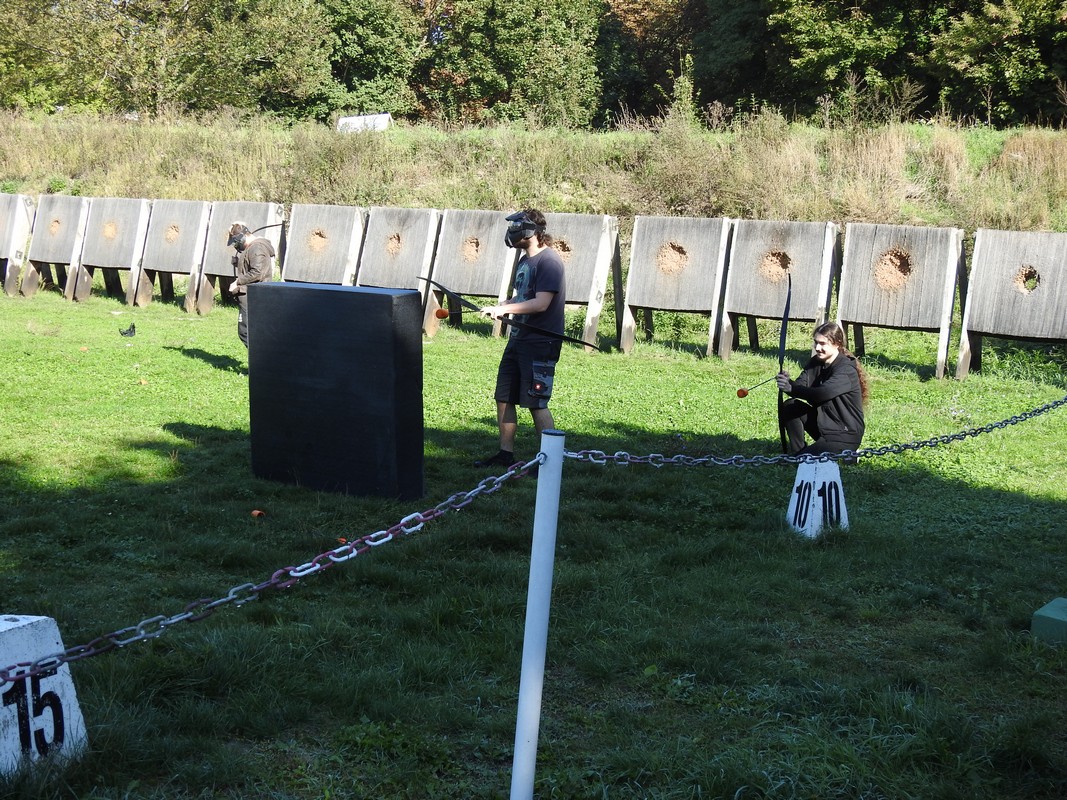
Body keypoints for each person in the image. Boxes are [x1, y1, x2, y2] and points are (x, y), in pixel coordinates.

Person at [475, 209, 566, 469]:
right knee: (504, 397)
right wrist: (503, 305)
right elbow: (524, 296)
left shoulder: (549, 262)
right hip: (518, 340)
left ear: (531, 231)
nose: (512, 232)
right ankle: (505, 454)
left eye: (517, 227)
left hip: (540, 343)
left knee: (536, 402)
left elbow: (540, 303)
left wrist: (505, 311)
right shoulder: (525, 261)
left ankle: (551, 463)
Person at [776, 321, 868, 456]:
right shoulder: (816, 362)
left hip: (844, 434)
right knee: (791, 406)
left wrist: (791, 388)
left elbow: (821, 394)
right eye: (816, 342)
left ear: (837, 344)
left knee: (806, 460)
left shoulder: (846, 370)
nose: (818, 348)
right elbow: (800, 385)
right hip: (823, 424)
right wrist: (787, 382)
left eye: (822, 343)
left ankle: (848, 454)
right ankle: (797, 452)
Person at [226, 221, 276, 348]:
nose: (236, 246)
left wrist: (238, 282)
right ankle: (261, 358)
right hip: (252, 295)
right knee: (251, 332)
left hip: (254, 296)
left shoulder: (257, 248)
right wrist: (238, 263)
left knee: (246, 332)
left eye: (236, 242)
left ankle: (261, 358)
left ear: (244, 236)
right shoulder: (253, 247)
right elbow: (253, 267)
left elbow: (257, 273)